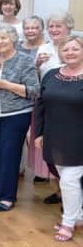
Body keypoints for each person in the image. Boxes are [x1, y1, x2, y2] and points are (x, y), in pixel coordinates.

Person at [0, 24, 40, 211]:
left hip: (16, 115)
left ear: (13, 39)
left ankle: (7, 197)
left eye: (3, 38)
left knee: (9, 155)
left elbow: (34, 91)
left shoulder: (25, 61)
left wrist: (6, 84)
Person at [35, 36, 83, 242]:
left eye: (75, 49)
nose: (70, 52)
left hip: (79, 138)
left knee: (69, 181)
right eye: (66, 49)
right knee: (65, 177)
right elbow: (40, 105)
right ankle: (79, 217)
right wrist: (38, 132)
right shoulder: (51, 75)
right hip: (55, 136)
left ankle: (68, 222)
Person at [35, 11, 74, 204]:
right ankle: (59, 192)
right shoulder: (44, 48)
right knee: (50, 153)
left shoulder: (74, 48)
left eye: (58, 26)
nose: (54, 29)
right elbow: (36, 78)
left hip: (71, 107)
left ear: (68, 27)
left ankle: (72, 197)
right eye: (51, 26)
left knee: (70, 155)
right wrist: (37, 64)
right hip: (47, 104)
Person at [16, 16, 48, 182]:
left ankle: (42, 170)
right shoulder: (17, 46)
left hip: (41, 94)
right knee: (20, 133)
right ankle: (21, 166)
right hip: (20, 94)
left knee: (37, 133)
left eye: (35, 27)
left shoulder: (46, 48)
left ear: (41, 29)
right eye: (27, 28)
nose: (30, 31)